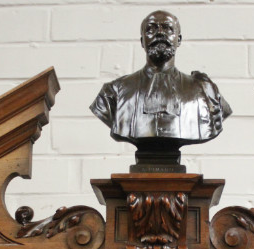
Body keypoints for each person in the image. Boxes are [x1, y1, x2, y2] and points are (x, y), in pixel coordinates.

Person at [90, 10, 232, 170]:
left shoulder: (204, 90)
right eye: (151, 29)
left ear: (178, 39)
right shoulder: (113, 91)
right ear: (142, 40)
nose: (160, 33)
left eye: (167, 28)